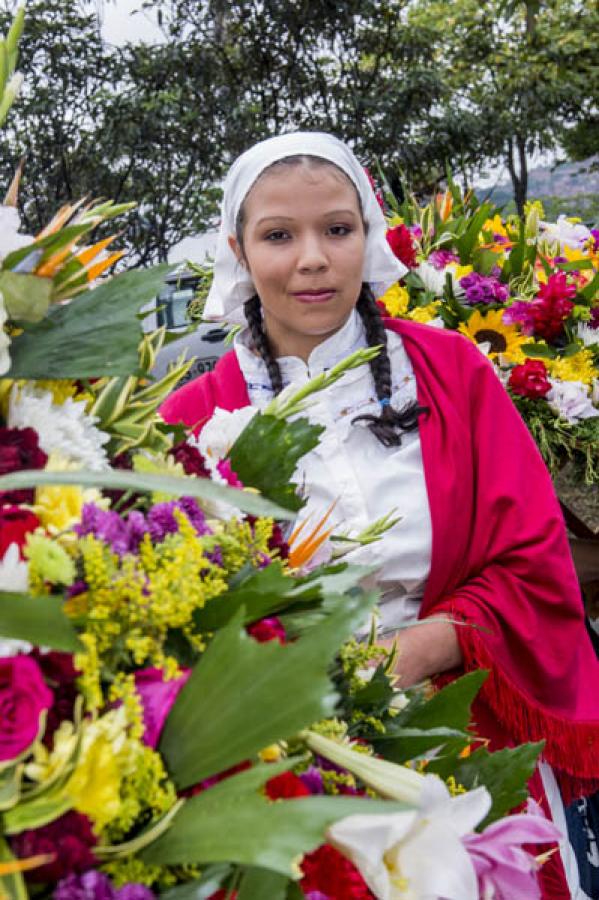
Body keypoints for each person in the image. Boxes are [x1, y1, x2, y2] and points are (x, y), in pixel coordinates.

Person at [161, 132, 599, 897]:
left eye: (337, 228)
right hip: (290, 768)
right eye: (277, 235)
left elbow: (534, 559)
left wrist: (421, 650)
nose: (311, 258)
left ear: (368, 232)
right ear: (237, 250)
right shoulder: (188, 421)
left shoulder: (451, 369)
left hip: (466, 726)